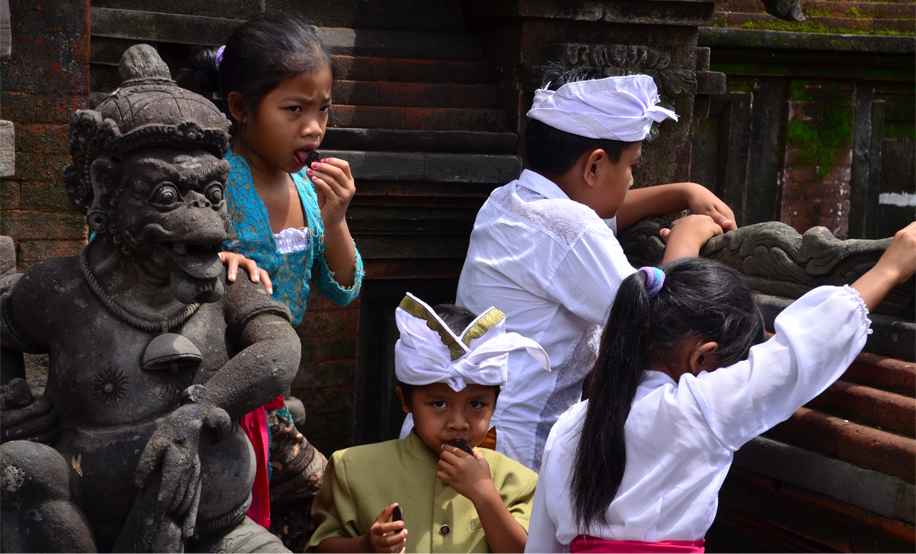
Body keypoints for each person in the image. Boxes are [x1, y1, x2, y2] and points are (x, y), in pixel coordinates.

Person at [525, 222, 916, 553]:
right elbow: (800, 352)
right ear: (702, 360)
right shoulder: (696, 408)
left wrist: (682, 251)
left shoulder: (572, 423)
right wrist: (890, 270)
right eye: (731, 366)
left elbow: (541, 544)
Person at [446, 67, 734, 470]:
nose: (632, 181)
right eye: (632, 166)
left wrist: (682, 192)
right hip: (511, 450)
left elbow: (596, 213)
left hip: (462, 423)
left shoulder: (507, 200)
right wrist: (685, 238)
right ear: (594, 165)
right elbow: (661, 322)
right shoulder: (572, 230)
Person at [185, 16, 363, 539]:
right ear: (240, 108)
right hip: (218, 388)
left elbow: (342, 287)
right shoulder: (210, 178)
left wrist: (336, 221)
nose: (314, 127)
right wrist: (215, 261)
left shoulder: (307, 187)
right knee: (332, 499)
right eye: (294, 109)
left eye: (323, 108)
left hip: (277, 396)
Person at [308, 294, 551, 553]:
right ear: (406, 401)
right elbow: (321, 546)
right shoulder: (353, 470)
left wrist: (484, 495)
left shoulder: (518, 483)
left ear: (495, 403)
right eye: (439, 404)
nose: (459, 424)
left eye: (476, 404)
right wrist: (367, 545)